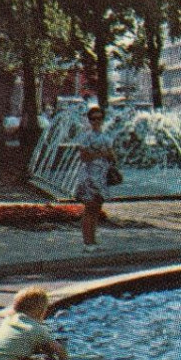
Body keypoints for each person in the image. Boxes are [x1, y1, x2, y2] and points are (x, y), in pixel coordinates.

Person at [74, 107, 115, 252]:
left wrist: (111, 156)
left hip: (101, 176)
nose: (96, 121)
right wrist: (100, 154)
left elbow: (111, 156)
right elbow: (83, 157)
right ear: (89, 120)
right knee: (89, 209)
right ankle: (87, 242)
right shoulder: (86, 137)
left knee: (97, 209)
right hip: (90, 176)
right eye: (93, 118)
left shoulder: (106, 136)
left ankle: (93, 241)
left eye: (99, 118)